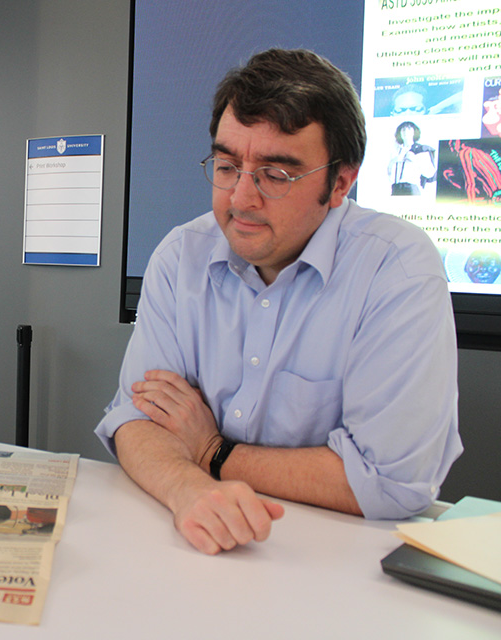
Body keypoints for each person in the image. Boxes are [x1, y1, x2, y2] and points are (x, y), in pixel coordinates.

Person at [95, 49, 461, 555]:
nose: (241, 198)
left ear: (340, 184)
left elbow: (389, 480)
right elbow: (135, 421)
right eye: (227, 166)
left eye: (276, 174)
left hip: (338, 569)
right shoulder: (182, 256)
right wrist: (188, 488)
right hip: (197, 544)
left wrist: (210, 450)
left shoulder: (396, 270)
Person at [388, 121, 435, 196]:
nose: (405, 132)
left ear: (414, 132)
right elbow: (388, 175)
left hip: (411, 189)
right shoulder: (394, 152)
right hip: (395, 189)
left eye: (409, 129)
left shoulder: (421, 149)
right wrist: (393, 161)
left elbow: (430, 173)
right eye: (403, 130)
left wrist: (414, 160)